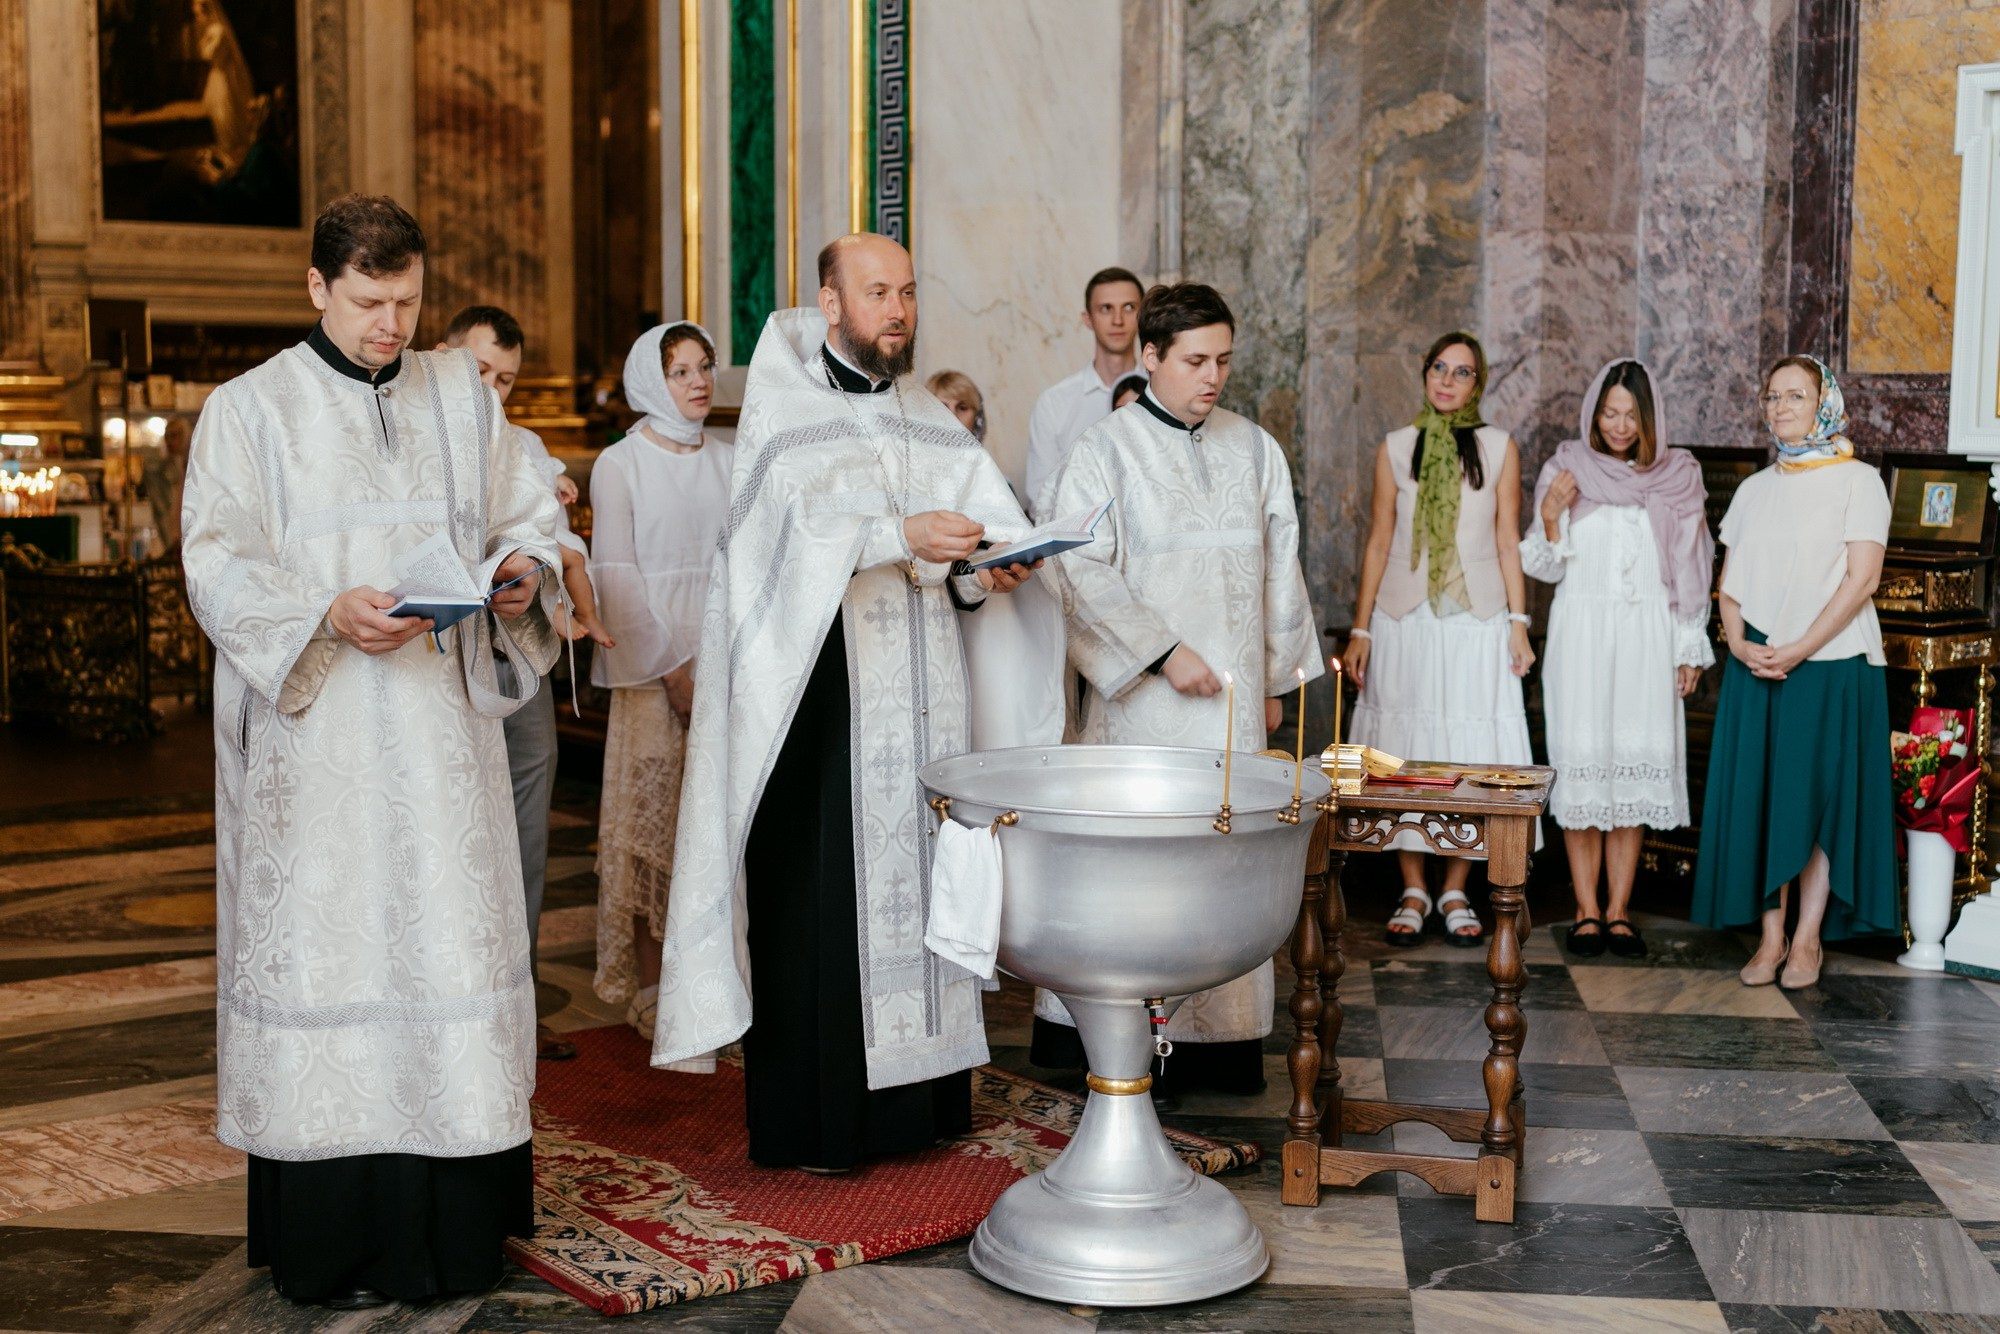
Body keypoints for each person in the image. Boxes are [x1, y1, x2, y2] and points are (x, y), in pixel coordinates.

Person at [181, 194, 561, 1306]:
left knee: (447, 943)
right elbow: (215, 559)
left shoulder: (458, 394)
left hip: (445, 754)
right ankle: (334, 1242)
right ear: (315, 289)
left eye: (406, 301)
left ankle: (452, 1234)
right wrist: (322, 611)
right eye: (367, 303)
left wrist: (524, 569)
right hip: (323, 751)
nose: (392, 325)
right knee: (336, 952)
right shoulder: (247, 410)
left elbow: (525, 506)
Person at [650, 233, 1056, 1173]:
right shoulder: (784, 413)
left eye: (909, 293)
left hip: (921, 701)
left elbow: (974, 532)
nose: (899, 312)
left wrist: (989, 570)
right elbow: (775, 552)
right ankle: (821, 1122)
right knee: (825, 903)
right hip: (820, 703)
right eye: (879, 293)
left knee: (919, 885)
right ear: (831, 303)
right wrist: (895, 532)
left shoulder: (924, 415)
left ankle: (919, 1109)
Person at [1034, 282, 1323, 1101]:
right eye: (1195, 360)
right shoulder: (1104, 450)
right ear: (1150, 356)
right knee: (1140, 882)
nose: (1213, 377)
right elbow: (1076, 571)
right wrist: (1161, 654)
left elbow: (1281, 576)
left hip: (1230, 722)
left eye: (1224, 360)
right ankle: (1117, 1051)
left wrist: (1272, 684)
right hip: (1143, 716)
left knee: (1218, 874)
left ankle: (1216, 1050)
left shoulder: (1255, 449)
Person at [438, 304, 610, 1060]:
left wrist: (537, 568)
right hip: (437, 665)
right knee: (449, 833)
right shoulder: (412, 439)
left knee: (526, 831)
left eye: (506, 378)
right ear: (442, 356)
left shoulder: (526, 444)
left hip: (517, 655)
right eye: (479, 372)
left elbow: (554, 537)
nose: (493, 391)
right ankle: (450, 1007)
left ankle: (519, 1000)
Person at [1694, 355, 1895, 990]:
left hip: (1831, 666)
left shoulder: (1859, 481)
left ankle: (1807, 938)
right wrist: (1736, 641)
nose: (1781, 407)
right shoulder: (1756, 488)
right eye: (1772, 396)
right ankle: (1770, 936)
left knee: (1816, 802)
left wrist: (1802, 645)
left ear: (1823, 403)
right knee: (1762, 799)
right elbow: (1728, 587)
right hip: (1761, 664)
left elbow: (1862, 578)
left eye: (1796, 396)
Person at [1345, 331, 1535, 946]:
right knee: (1407, 751)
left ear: (1477, 384)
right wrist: (1361, 627)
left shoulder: (1500, 448)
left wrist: (1519, 624)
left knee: (1467, 757)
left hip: (1477, 620)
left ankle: (1455, 885)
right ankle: (1414, 886)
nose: (1448, 381)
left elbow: (1509, 540)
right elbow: (1377, 540)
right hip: (1405, 617)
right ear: (1425, 374)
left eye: (1462, 372)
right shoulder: (1395, 448)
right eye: (1439, 369)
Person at [1521, 360, 1713, 959]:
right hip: (1581, 634)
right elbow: (1542, 566)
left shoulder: (1677, 475)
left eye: (1632, 414)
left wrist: (1688, 647)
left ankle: (1619, 911)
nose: (1621, 424)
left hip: (1647, 635)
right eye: (1610, 412)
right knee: (1582, 770)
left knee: (1632, 766)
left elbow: (1692, 564)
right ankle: (1584, 912)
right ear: (1593, 413)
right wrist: (1552, 513)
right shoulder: (1566, 469)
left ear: (1648, 417)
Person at [589, 320, 732, 1038]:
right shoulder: (621, 464)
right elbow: (616, 579)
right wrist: (674, 671)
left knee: (716, 831)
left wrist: (720, 664)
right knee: (653, 834)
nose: (699, 381)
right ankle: (652, 989)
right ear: (652, 379)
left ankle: (717, 979)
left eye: (704, 366)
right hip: (654, 676)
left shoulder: (731, 460)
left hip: (726, 669)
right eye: (680, 370)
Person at [1025, 266, 1146, 510]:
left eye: (1129, 307)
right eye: (1106, 309)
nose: (1117, 320)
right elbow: (1040, 497)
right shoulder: (1054, 402)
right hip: (1080, 540)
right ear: (1087, 319)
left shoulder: (1163, 394)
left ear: (1143, 315)